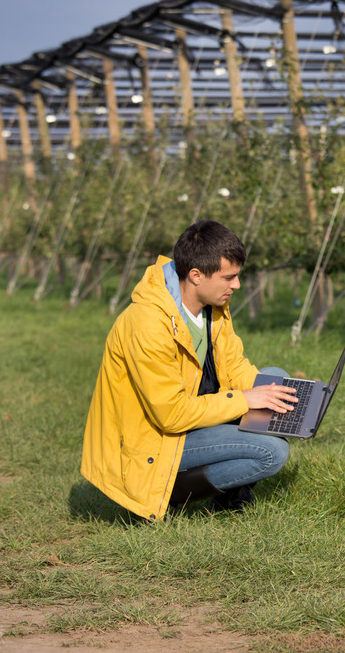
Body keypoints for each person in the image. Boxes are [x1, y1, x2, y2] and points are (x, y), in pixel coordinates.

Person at [81, 220, 298, 521]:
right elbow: (171, 415)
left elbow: (233, 366)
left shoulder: (212, 306)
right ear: (196, 275)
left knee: (275, 375)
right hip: (154, 440)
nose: (236, 285)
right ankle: (167, 495)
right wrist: (246, 400)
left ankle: (230, 496)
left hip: (192, 418)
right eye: (229, 277)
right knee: (273, 452)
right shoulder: (147, 325)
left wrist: (290, 393)